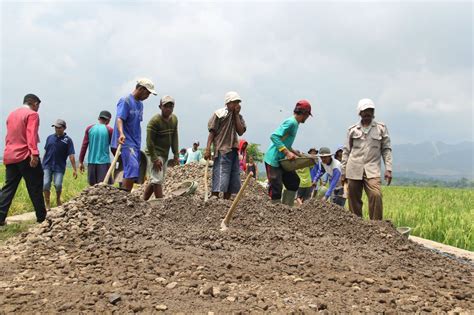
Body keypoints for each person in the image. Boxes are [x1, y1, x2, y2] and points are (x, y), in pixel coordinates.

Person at [341, 98, 393, 220]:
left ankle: (376, 226)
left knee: (376, 195)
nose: (367, 113)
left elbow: (386, 149)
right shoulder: (352, 130)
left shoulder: (381, 128)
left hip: (372, 169)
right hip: (354, 169)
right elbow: (346, 151)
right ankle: (357, 225)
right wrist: (343, 172)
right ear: (360, 113)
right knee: (353, 198)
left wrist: (388, 169)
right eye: (365, 111)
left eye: (370, 110)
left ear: (373, 112)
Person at [0, 94, 47, 226]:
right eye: (38, 105)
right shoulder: (32, 114)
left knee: (8, 188)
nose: (38, 108)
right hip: (25, 155)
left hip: (10, 155)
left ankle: (0, 217)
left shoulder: (11, 114)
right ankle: (41, 218)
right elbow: (31, 134)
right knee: (35, 186)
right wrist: (34, 153)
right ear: (34, 103)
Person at [111, 78, 157, 192]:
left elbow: (136, 123)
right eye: (148, 93)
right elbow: (120, 119)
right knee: (132, 166)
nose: (148, 96)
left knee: (132, 170)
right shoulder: (125, 101)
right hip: (125, 140)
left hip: (135, 141)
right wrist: (121, 133)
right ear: (141, 89)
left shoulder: (140, 105)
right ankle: (125, 195)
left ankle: (124, 194)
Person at [263, 100, 312, 206]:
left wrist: (298, 155)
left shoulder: (296, 124)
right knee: (276, 187)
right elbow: (274, 136)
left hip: (282, 160)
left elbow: (287, 144)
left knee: (293, 182)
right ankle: (274, 211)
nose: (307, 118)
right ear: (304, 113)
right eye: (308, 115)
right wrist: (287, 153)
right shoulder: (291, 122)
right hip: (273, 160)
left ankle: (286, 209)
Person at [204, 91, 246, 200]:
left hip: (233, 150)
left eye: (238, 102)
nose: (237, 105)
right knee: (221, 173)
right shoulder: (219, 114)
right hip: (222, 149)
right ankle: (215, 196)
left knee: (233, 176)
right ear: (228, 103)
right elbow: (212, 132)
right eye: (234, 102)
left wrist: (236, 115)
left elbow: (240, 131)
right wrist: (208, 148)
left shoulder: (238, 117)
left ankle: (226, 201)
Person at [143, 95, 179, 200]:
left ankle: (143, 201)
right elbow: (149, 142)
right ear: (160, 107)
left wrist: (176, 153)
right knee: (157, 180)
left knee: (157, 179)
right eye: (166, 106)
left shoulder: (174, 119)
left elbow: (174, 136)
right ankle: (160, 203)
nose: (168, 109)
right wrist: (154, 158)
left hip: (164, 153)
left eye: (171, 106)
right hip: (153, 152)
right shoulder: (154, 121)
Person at [42, 119, 77, 209]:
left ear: (64, 128)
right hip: (47, 165)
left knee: (58, 184)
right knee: (45, 184)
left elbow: (71, 155)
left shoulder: (68, 140)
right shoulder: (50, 137)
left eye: (59, 127)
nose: (57, 129)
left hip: (59, 166)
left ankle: (58, 199)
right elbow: (46, 151)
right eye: (55, 127)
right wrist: (41, 164)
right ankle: (47, 203)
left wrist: (74, 169)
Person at [78, 110, 113, 185]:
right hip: (104, 162)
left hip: (91, 162)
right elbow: (113, 147)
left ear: (98, 118)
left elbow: (84, 145)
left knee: (93, 186)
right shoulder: (109, 130)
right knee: (104, 186)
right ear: (108, 120)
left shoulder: (90, 129)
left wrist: (81, 161)